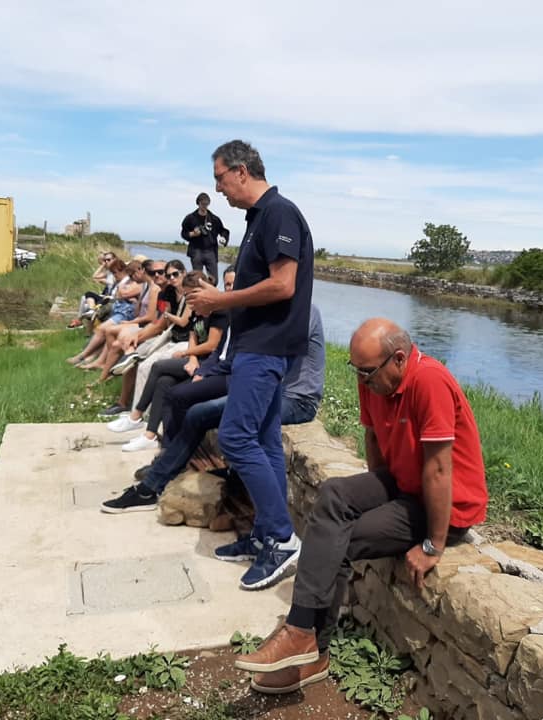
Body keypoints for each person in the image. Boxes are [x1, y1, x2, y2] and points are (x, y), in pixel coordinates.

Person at [233, 318, 487, 695]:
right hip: (404, 484)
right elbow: (372, 435)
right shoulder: (374, 377)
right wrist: (377, 490)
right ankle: (302, 636)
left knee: (342, 539)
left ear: (398, 359)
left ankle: (310, 643)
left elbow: (437, 469)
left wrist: (433, 545)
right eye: (357, 371)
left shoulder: (429, 380)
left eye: (367, 373)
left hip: (446, 507)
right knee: (334, 493)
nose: (362, 381)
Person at [186, 139, 314, 591]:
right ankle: (263, 535)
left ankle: (282, 540)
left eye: (219, 177)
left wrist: (221, 299)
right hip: (254, 346)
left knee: (237, 438)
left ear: (242, 171)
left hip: (267, 348)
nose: (217, 188)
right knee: (263, 441)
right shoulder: (259, 218)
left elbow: (283, 286)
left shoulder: (279, 213)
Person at [100, 304, 326, 513]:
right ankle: (156, 482)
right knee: (197, 413)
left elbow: (272, 357)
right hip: (266, 394)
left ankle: (232, 484)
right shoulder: (274, 312)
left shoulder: (304, 312)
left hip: (297, 400)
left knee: (232, 426)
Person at [108, 270, 229, 452]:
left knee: (158, 367)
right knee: (164, 382)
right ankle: (149, 435)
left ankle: (136, 416)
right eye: (186, 295)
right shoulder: (197, 309)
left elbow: (212, 345)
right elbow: (193, 334)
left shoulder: (219, 313)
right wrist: (192, 357)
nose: (188, 299)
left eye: (191, 294)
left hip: (209, 362)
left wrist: (187, 354)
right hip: (197, 359)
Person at [181, 192, 230, 280]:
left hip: (210, 251)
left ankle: (211, 292)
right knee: (197, 278)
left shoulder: (214, 219)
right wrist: (192, 234)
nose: (204, 206)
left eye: (206, 204)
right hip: (196, 251)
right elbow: (183, 233)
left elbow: (224, 231)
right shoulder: (190, 218)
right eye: (202, 204)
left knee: (214, 279)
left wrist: (223, 238)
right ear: (198, 203)